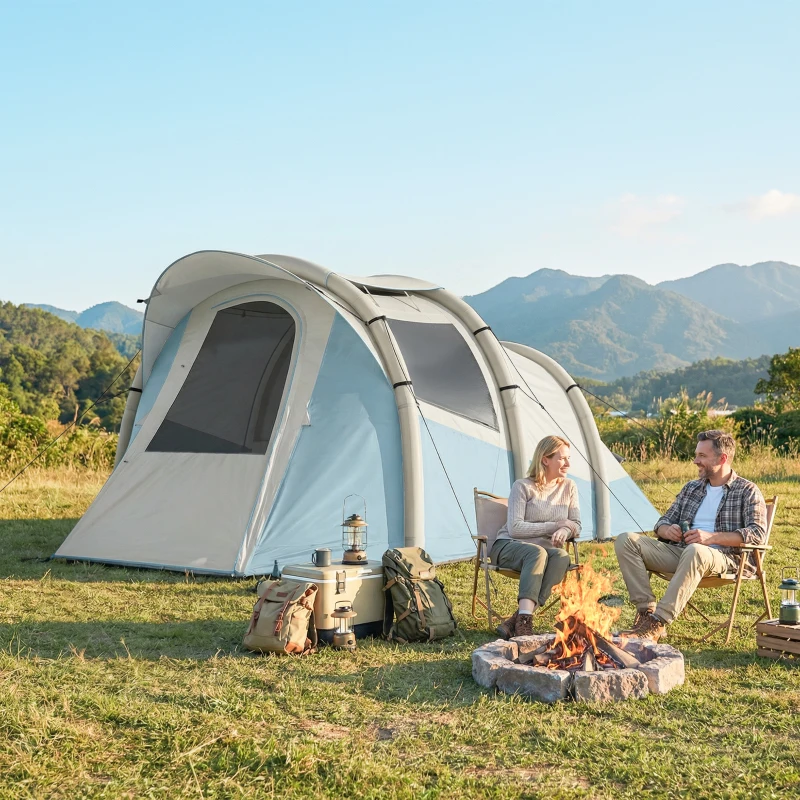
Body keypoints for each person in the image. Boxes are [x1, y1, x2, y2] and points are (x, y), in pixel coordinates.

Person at [614, 429, 767, 641]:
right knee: (626, 540)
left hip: (726, 558)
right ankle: (646, 614)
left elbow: (758, 533)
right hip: (682, 553)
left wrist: (711, 538)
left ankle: (658, 623)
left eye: (702, 456)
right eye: (696, 455)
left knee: (696, 549)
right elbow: (662, 522)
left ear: (722, 458)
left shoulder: (747, 490)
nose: (695, 461)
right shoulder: (692, 488)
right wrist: (667, 530)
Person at [492, 435, 581, 639]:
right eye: (562, 458)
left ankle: (519, 618)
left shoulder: (569, 487)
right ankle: (525, 624)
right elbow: (515, 528)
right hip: (508, 546)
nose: (567, 463)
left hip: (541, 553)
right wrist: (554, 526)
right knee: (538, 553)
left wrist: (565, 531)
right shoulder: (522, 486)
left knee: (561, 556)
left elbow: (576, 524)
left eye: (568, 458)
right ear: (545, 459)